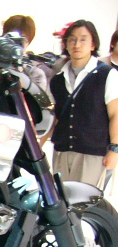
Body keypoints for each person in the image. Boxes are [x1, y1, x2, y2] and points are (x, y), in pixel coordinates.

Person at [46, 20, 118, 189]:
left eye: (83, 39)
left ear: (93, 44)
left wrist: (114, 150)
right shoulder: (57, 79)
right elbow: (55, 116)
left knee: (84, 200)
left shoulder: (107, 74)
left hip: (93, 152)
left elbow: (115, 114)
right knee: (61, 199)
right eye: (72, 39)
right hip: (62, 149)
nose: (77, 44)